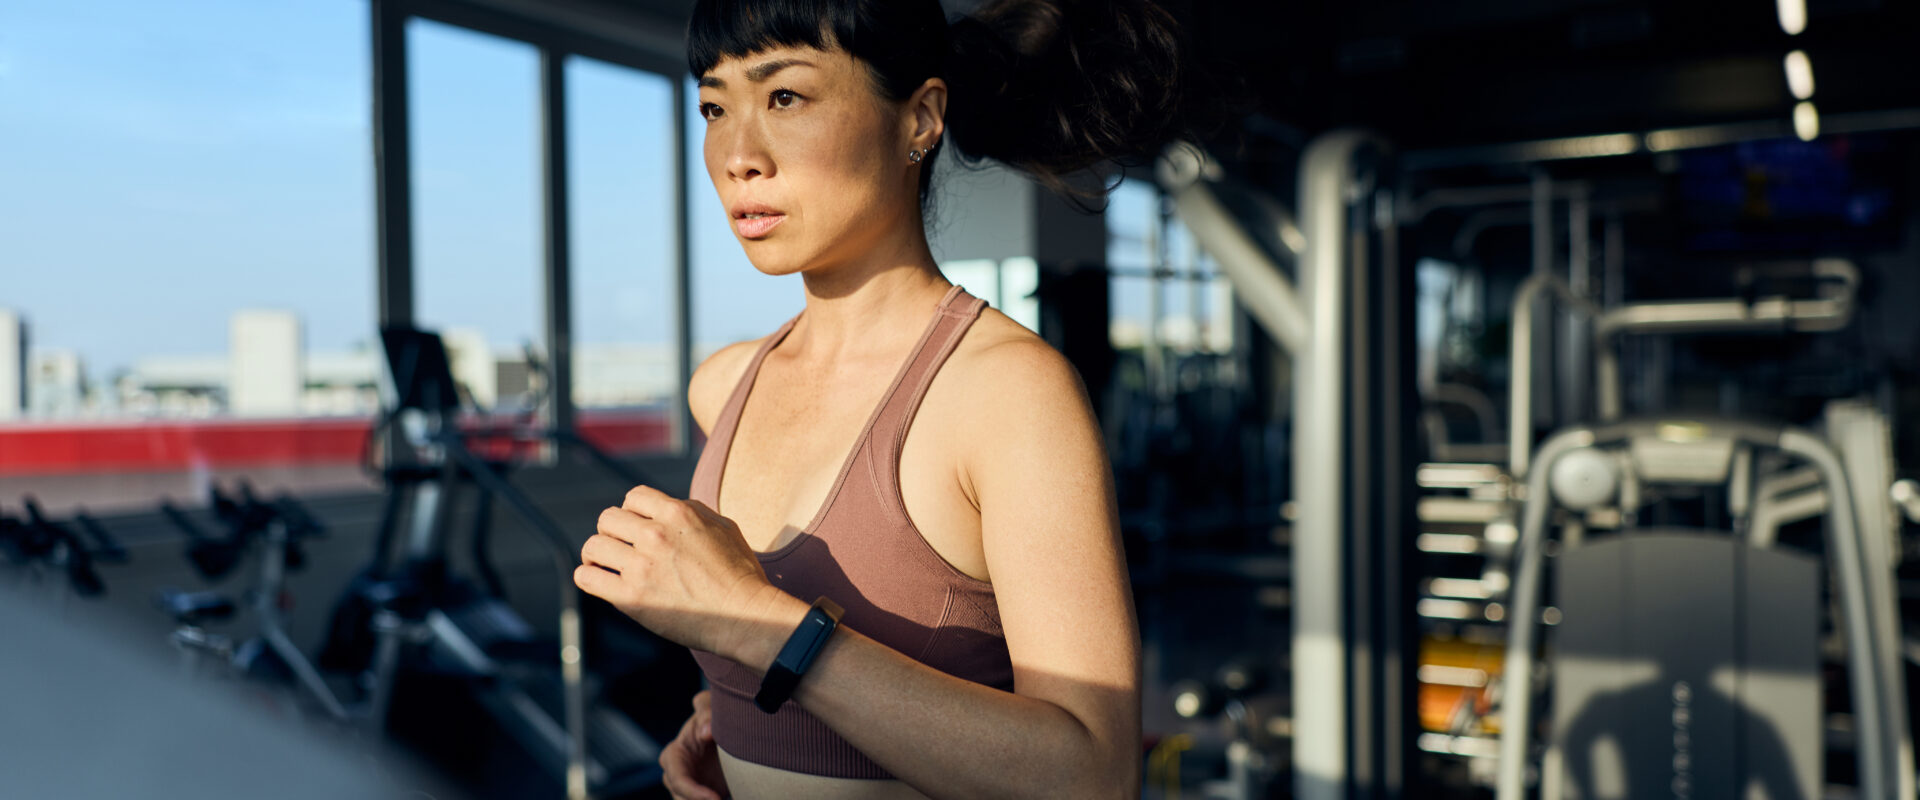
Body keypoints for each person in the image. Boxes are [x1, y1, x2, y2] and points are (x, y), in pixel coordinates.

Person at [572, 0, 1197, 797]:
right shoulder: (723, 384)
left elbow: (1092, 773)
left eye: (785, 97)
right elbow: (802, 686)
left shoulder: (1006, 393)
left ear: (921, 118)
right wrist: (730, 714)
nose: (737, 155)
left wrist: (757, 625)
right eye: (714, 106)